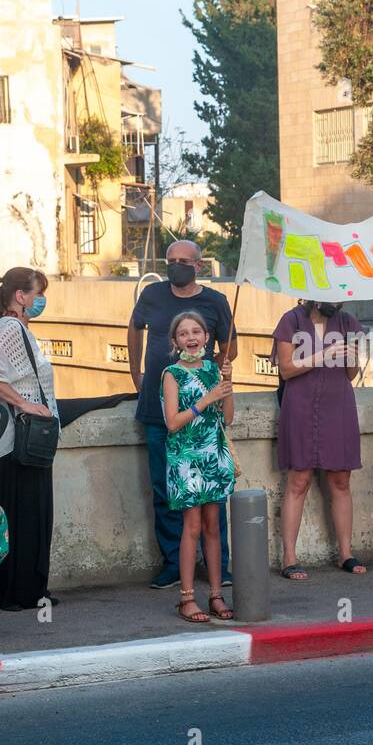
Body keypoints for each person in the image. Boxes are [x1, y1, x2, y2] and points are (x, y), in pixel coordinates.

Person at [128, 240, 234, 589]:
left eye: (183, 261)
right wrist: (137, 377)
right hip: (159, 412)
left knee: (212, 495)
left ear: (199, 265)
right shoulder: (152, 295)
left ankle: (219, 566)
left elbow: (230, 346)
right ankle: (174, 562)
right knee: (165, 490)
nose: (176, 266)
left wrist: (217, 371)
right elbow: (133, 330)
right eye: (170, 260)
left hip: (205, 423)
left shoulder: (216, 301)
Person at [0, 267, 59, 611]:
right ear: (21, 297)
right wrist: (25, 404)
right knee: (24, 516)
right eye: (38, 293)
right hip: (17, 442)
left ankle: (27, 590)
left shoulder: (18, 328)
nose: (41, 300)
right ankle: (17, 592)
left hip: (25, 441)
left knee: (30, 516)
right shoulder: (10, 328)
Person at [273, 299, 366, 579]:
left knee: (341, 480)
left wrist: (352, 357)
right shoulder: (291, 320)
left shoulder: (348, 322)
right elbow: (286, 369)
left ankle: (345, 554)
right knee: (298, 480)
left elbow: (350, 374)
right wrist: (324, 355)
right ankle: (289, 558)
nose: (336, 301)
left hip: (338, 405)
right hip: (300, 405)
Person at [160, 311, 236, 623]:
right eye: (183, 333)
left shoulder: (212, 370)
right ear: (175, 341)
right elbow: (173, 423)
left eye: (197, 332)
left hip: (213, 456)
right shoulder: (171, 374)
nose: (191, 338)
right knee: (191, 527)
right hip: (186, 459)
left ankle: (216, 594)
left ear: (206, 337)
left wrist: (227, 384)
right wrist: (206, 399)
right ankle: (187, 598)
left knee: (213, 528)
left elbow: (227, 418)